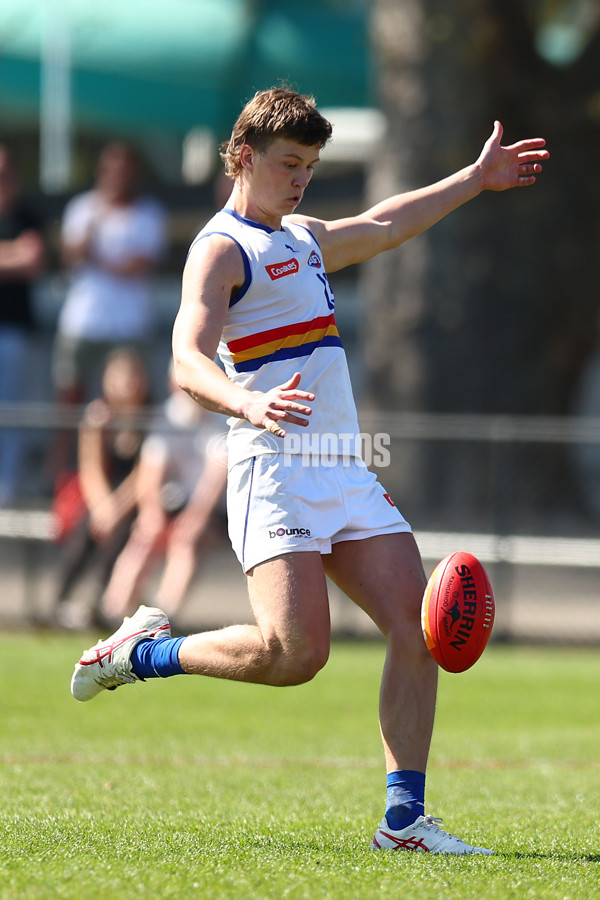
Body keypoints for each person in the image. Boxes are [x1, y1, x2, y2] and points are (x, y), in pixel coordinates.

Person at [71, 87, 548, 853]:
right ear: (243, 157)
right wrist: (246, 403)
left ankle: (404, 822)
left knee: (415, 626)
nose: (300, 179)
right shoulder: (221, 248)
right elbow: (185, 358)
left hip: (342, 467)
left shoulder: (303, 235)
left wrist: (473, 178)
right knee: (296, 657)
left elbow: (387, 224)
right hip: (275, 469)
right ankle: (140, 653)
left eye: (311, 166)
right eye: (289, 164)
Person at [98, 363, 227, 629]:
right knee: (145, 535)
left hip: (216, 511)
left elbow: (214, 482)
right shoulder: (168, 417)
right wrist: (151, 514)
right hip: (176, 504)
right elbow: (151, 474)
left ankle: (165, 616)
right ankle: (113, 611)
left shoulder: (222, 421)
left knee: (185, 541)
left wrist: (195, 520)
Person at [53, 141, 167, 406]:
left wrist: (94, 257)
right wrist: (92, 229)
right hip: (80, 323)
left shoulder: (150, 213)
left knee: (128, 404)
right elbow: (69, 258)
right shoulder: (82, 208)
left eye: (124, 171)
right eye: (112, 170)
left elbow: (138, 266)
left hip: (129, 326)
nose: (118, 176)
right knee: (67, 402)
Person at [53, 347, 150, 629]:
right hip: (100, 497)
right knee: (85, 531)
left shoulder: (150, 418)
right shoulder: (98, 416)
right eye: (120, 376)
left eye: (133, 376)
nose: (128, 383)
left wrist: (117, 509)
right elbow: (90, 468)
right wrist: (103, 508)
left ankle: (103, 602)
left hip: (135, 499)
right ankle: (59, 603)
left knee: (123, 534)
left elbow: (141, 475)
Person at [0, 146, 45, 505]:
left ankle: (7, 491)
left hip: (13, 331)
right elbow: (21, 257)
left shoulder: (28, 215)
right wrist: (12, 253)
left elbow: (32, 261)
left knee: (11, 412)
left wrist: (16, 256)